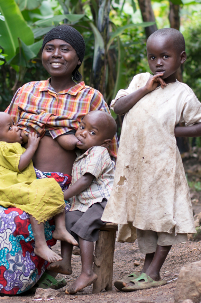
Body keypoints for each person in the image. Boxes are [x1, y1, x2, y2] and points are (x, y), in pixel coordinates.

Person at [0, 25, 117, 294]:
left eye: (65, 49)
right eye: (49, 48)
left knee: (13, 218)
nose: (56, 54)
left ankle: (6, 281)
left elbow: (107, 151)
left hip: (60, 187)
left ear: (78, 57)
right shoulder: (27, 92)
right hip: (16, 177)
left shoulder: (90, 97)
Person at [101, 28, 201, 291]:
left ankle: (153, 272)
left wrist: (171, 130)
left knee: (163, 215)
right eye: (152, 57)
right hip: (136, 166)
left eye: (165, 56)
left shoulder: (182, 93)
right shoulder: (141, 80)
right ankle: (146, 269)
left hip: (163, 167)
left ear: (182, 58)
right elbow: (117, 108)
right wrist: (145, 88)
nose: (158, 63)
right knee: (145, 216)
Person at [0, 112, 78, 262]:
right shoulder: (0, 147)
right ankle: (40, 244)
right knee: (36, 199)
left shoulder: (12, 144)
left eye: (15, 124)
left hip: (23, 184)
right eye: (10, 128)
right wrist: (32, 147)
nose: (17, 128)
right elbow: (19, 165)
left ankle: (60, 229)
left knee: (51, 185)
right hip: (8, 187)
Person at [46, 110, 116, 294]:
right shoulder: (83, 154)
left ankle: (87, 272)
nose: (83, 133)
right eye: (83, 127)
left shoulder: (99, 152)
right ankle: (66, 263)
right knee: (68, 220)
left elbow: (86, 180)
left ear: (105, 142)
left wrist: (63, 195)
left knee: (84, 226)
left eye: (92, 132)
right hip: (85, 204)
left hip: (103, 202)